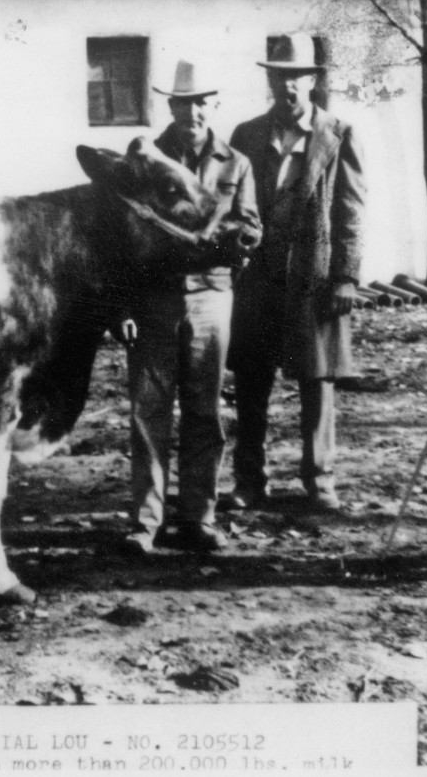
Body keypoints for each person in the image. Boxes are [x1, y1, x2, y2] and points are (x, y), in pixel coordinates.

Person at [123, 60, 262, 555]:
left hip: (210, 299)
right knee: (148, 413)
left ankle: (199, 518)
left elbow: (250, 227)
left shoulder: (235, 163)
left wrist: (235, 245)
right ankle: (145, 524)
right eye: (184, 102)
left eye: (201, 101)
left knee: (205, 411)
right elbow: (125, 235)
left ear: (212, 105)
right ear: (171, 105)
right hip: (155, 299)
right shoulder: (145, 158)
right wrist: (125, 305)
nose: (193, 111)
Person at [226, 33, 367, 512]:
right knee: (251, 379)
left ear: (312, 81)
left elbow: (350, 211)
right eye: (279, 76)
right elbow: (231, 204)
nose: (287, 86)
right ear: (269, 79)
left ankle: (320, 479)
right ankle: (249, 479)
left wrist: (346, 276)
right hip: (258, 277)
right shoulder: (246, 135)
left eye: (297, 77)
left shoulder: (339, 134)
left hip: (315, 273)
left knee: (317, 380)